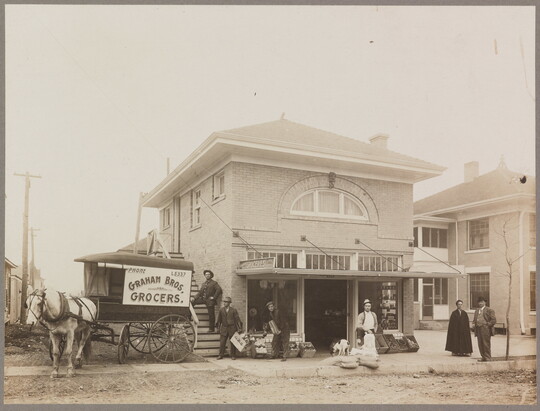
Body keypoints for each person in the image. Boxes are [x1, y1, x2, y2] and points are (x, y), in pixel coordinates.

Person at [472, 296, 496, 362]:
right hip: (478, 329)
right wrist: (473, 324)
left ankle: (488, 358)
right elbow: (474, 319)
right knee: (480, 344)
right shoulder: (477, 310)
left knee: (486, 344)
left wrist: (487, 324)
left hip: (485, 329)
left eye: (482, 302)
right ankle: (483, 357)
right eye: (479, 302)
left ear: (485, 302)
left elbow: (493, 320)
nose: (480, 303)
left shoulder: (489, 310)